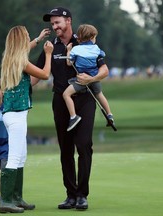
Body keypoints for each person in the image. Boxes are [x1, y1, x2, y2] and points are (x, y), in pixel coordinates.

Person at [35, 7, 109, 211]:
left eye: (57, 22)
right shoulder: (51, 47)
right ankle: (70, 194)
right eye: (52, 24)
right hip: (60, 102)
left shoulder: (85, 41)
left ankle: (82, 195)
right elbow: (38, 74)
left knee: (84, 145)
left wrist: (92, 78)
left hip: (84, 100)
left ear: (68, 21)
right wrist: (18, 88)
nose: (54, 26)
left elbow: (103, 69)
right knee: (65, 149)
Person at [0, 25, 53, 213]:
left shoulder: (11, 57)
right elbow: (45, 75)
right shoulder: (20, 61)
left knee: (21, 156)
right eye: (27, 36)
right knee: (14, 157)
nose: (29, 38)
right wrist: (48, 54)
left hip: (13, 114)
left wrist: (38, 39)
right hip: (16, 115)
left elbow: (24, 49)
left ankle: (16, 197)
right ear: (21, 40)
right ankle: (5, 201)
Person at [63, 24, 114, 131]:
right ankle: (109, 114)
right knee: (99, 94)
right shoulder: (96, 49)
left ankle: (73, 117)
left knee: (66, 94)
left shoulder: (76, 49)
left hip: (81, 80)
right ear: (91, 38)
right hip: (95, 78)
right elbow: (100, 58)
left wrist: (68, 50)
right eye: (95, 37)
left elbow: (69, 62)